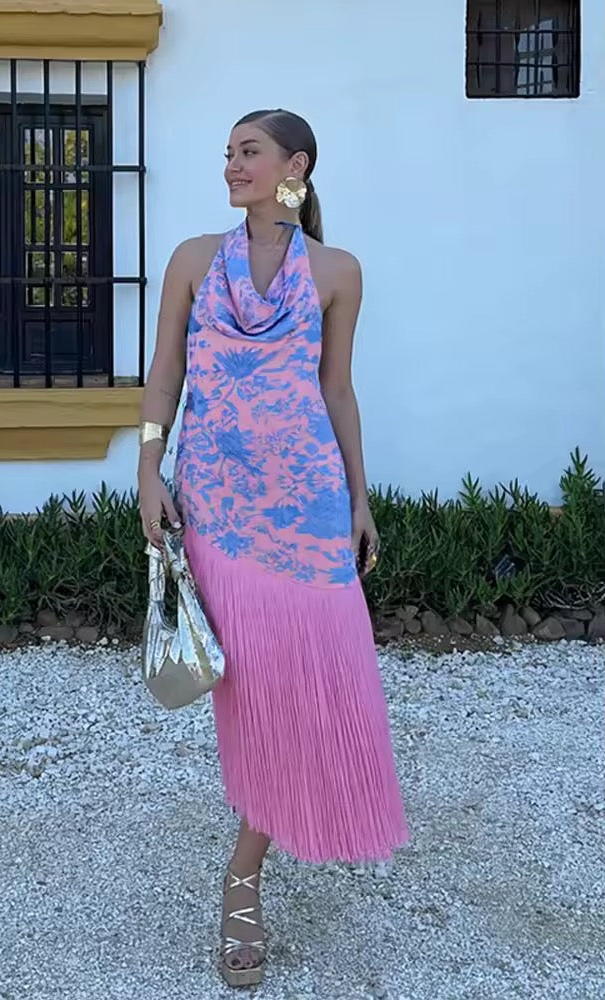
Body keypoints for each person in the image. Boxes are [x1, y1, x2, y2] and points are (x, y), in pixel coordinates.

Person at [137, 108, 409, 988]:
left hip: (311, 513)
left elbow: (338, 391)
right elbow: (165, 374)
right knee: (250, 689)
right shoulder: (192, 260)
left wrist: (360, 498)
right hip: (216, 509)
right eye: (227, 153)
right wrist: (147, 467)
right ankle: (247, 875)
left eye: (248, 152)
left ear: (295, 164)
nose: (232, 165)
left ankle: (247, 862)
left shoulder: (337, 272)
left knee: (316, 684)